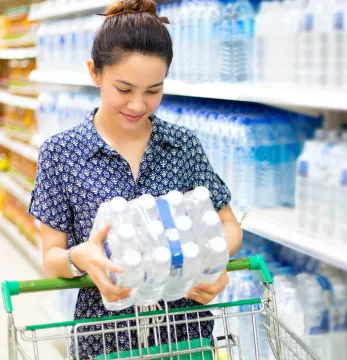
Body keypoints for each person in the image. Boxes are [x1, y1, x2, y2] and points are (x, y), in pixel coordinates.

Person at [28, 0, 243, 357]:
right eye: (124, 89)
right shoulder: (61, 153)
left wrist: (214, 263)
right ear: (94, 73)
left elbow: (227, 224)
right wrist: (79, 257)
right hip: (106, 336)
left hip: (184, 333)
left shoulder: (182, 145)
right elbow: (51, 256)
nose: (138, 105)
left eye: (153, 90)